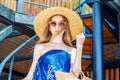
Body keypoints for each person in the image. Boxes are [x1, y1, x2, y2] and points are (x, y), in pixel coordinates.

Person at [23, 7, 85, 80]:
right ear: (49, 27)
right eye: (53, 23)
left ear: (65, 27)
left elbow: (75, 75)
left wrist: (80, 46)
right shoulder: (40, 47)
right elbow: (31, 74)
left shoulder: (72, 50)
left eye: (61, 24)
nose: (57, 27)